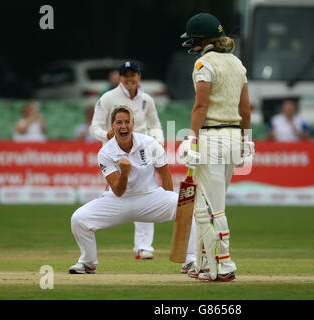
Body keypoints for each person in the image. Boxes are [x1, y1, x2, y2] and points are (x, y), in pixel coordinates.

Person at [69, 106, 196, 274]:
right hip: (118, 201)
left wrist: (171, 202)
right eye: (119, 122)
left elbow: (165, 175)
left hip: (150, 197)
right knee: (79, 219)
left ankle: (191, 260)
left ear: (133, 124)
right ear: (112, 127)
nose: (124, 126)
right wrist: (125, 173)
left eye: (127, 122)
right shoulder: (105, 153)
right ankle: (88, 262)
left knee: (187, 207)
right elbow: (118, 191)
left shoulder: (149, 143)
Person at [178, 13, 254, 282]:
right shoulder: (237, 63)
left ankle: (224, 265)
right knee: (206, 206)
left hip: (212, 138)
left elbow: (201, 106)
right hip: (234, 138)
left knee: (210, 207)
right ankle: (204, 265)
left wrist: (190, 138)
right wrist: (247, 139)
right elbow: (245, 109)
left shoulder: (204, 64)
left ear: (201, 40)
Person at [89, 61, 166, 265]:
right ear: (120, 77)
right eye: (126, 75)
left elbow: (155, 124)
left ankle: (144, 246)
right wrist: (105, 134)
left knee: (145, 190)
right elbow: (94, 127)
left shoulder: (146, 99)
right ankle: (95, 224)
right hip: (116, 152)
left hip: (142, 150)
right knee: (117, 192)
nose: (130, 78)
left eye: (134, 74)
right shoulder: (108, 98)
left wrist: (158, 142)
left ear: (139, 76)